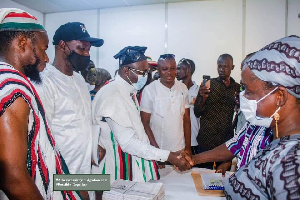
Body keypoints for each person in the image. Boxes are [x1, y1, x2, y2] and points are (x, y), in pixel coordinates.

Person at [0, 8, 80, 199]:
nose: (45, 57)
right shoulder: (14, 86)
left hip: (71, 173)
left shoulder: (80, 81)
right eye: (43, 49)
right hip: (45, 185)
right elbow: (13, 176)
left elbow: (44, 144)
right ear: (22, 43)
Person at [92, 46, 192, 183]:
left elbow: (138, 133)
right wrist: (167, 156)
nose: (145, 77)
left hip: (129, 165)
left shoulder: (128, 92)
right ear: (126, 70)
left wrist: (171, 154)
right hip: (115, 170)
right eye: (142, 72)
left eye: (147, 72)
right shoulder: (112, 95)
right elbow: (128, 143)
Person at [224, 35, 300, 199]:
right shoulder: (279, 142)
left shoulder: (292, 165)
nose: (244, 98)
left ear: (280, 96)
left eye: (249, 92)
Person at [36, 22, 104, 199]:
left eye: (89, 49)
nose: (87, 54)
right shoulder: (45, 82)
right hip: (61, 178)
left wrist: (92, 144)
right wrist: (70, 183)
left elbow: (80, 123)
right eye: (82, 48)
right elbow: (41, 142)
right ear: (63, 46)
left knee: (104, 186)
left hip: (84, 171)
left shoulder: (80, 80)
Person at [194, 53, 240, 169]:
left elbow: (240, 113)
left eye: (225, 66)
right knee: (201, 175)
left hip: (225, 141)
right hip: (206, 139)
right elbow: (197, 112)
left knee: (223, 177)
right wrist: (202, 97)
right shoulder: (209, 85)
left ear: (232, 67)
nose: (222, 69)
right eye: (219, 66)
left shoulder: (237, 88)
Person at [140, 54, 191, 154]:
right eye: (164, 69)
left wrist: (188, 148)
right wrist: (157, 151)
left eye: (172, 69)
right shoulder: (150, 90)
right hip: (158, 150)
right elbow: (144, 123)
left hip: (180, 149)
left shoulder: (183, 88)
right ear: (158, 70)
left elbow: (186, 120)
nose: (169, 73)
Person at [177, 58, 200, 155]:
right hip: (177, 139)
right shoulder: (175, 90)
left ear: (189, 70)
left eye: (180, 69)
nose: (177, 72)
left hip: (194, 138)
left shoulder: (199, 91)